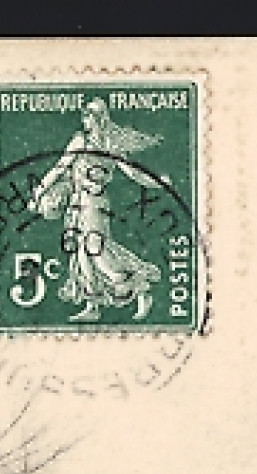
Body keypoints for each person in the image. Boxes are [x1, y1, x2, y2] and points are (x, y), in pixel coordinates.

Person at [28, 99, 164, 322]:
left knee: (96, 250)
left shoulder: (111, 144)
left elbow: (133, 172)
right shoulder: (79, 140)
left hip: (95, 203)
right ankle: (92, 306)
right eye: (85, 115)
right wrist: (39, 193)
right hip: (75, 203)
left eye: (90, 115)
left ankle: (140, 288)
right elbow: (59, 168)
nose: (85, 120)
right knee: (81, 255)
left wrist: (157, 183)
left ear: (100, 118)